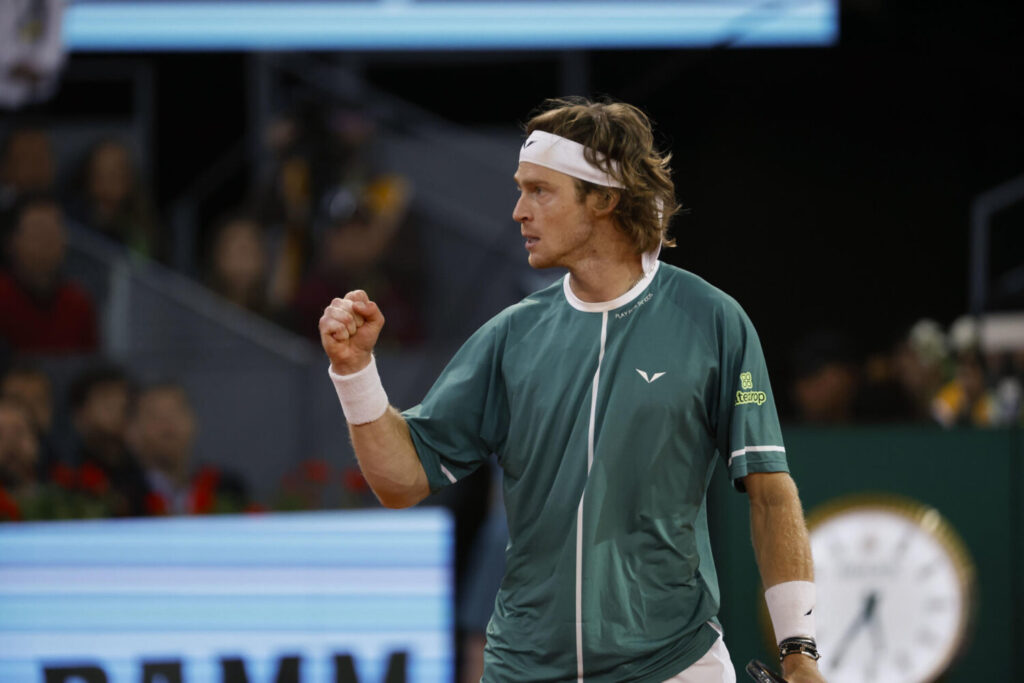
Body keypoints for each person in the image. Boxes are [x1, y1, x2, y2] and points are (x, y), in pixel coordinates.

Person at [319, 98, 825, 683]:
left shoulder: (713, 321)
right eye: (520, 189)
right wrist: (355, 373)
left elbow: (770, 493)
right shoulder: (511, 334)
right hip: (523, 666)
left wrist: (800, 652)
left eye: (540, 191)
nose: (517, 211)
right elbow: (401, 481)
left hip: (674, 665)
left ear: (604, 200)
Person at [0, 192, 98, 353]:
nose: (47, 242)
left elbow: (88, 367)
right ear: (11, 242)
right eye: (38, 233)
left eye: (54, 231)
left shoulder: (78, 303)